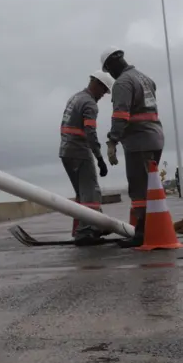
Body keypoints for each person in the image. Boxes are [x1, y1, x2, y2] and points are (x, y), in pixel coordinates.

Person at [99, 47, 164, 248]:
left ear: (110, 67)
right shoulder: (145, 78)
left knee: (138, 190)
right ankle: (151, 229)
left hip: (139, 141)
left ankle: (142, 233)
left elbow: (120, 115)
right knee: (149, 187)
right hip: (155, 137)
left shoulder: (122, 83)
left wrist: (112, 141)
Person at [58, 71, 114, 244]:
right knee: (91, 192)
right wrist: (99, 158)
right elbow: (90, 133)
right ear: (96, 84)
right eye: (103, 91)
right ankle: (87, 231)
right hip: (79, 151)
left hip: (66, 151)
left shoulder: (75, 98)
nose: (103, 95)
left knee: (82, 194)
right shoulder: (89, 104)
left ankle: (90, 226)